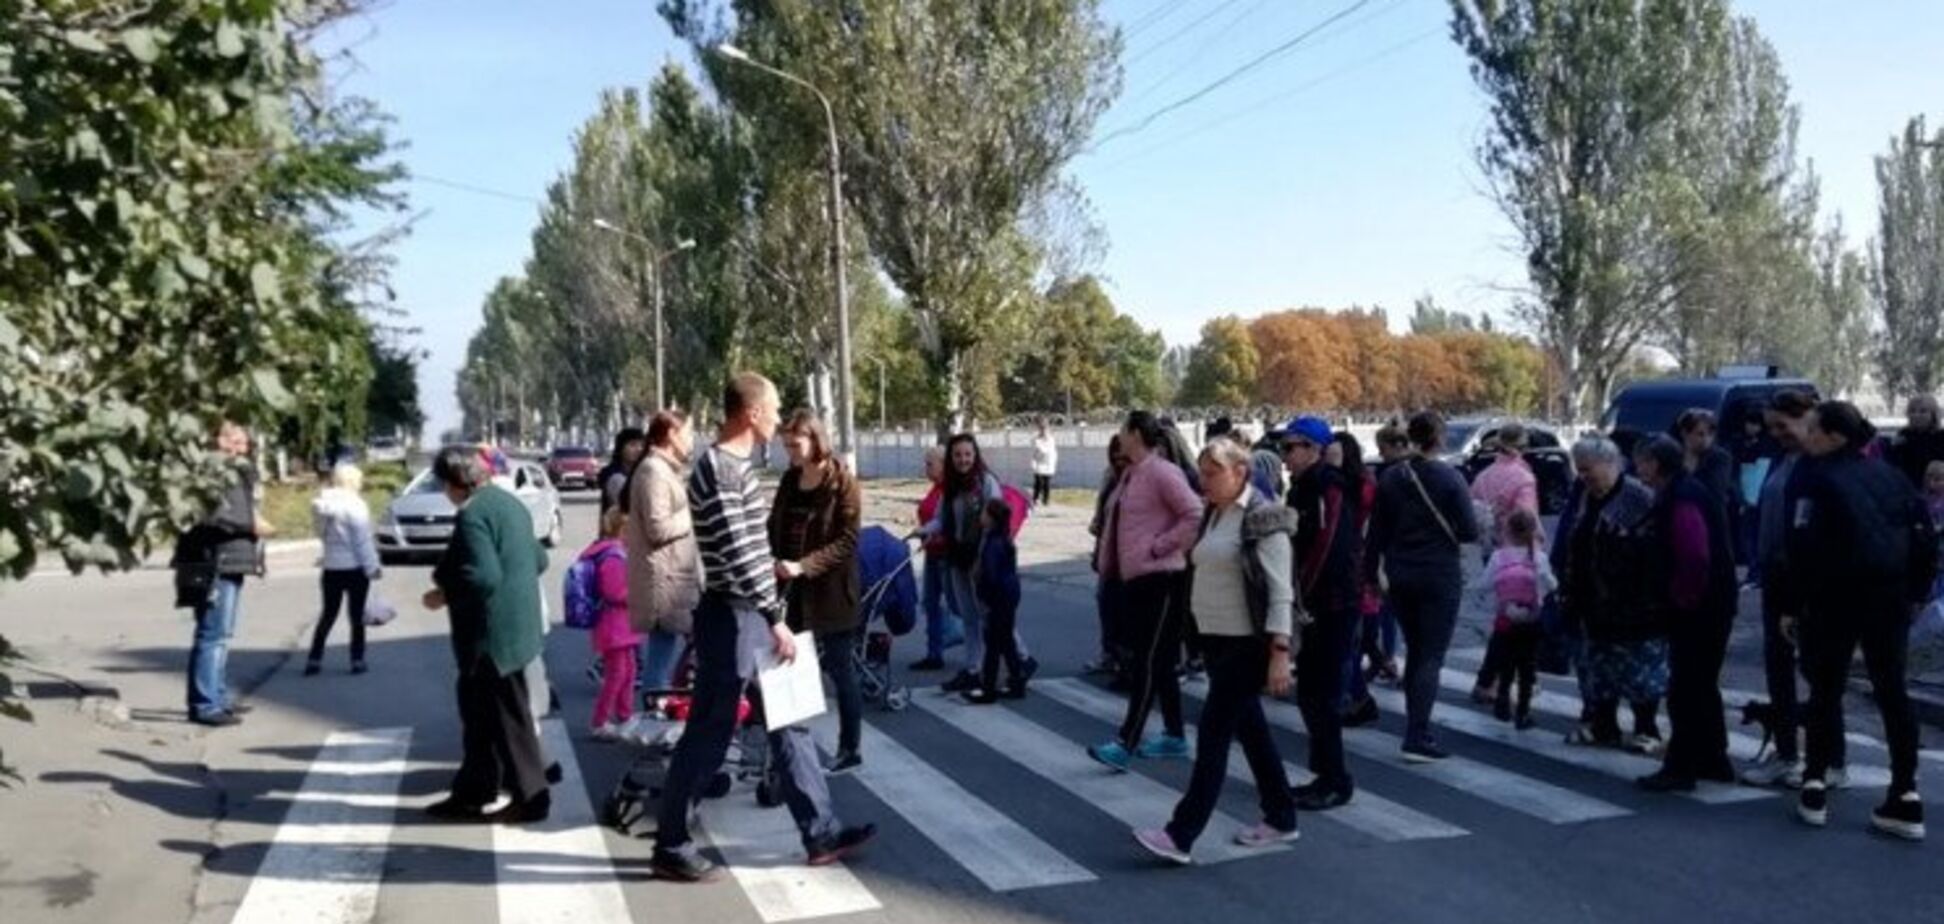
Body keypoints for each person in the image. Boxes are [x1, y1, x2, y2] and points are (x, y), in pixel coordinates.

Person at [650, 374, 876, 882]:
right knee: (711, 729)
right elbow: (740, 552)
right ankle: (671, 842)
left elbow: (753, 549)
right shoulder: (721, 469)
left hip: (749, 613)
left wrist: (770, 613)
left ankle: (820, 831)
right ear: (751, 413)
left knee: (789, 719)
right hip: (735, 617)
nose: (777, 420)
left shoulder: (736, 468)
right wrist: (774, 618)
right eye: (772, 410)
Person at [1133, 439, 1301, 865]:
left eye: (1212, 474)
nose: (1203, 482)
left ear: (1240, 472)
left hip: (1248, 642)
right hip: (1216, 638)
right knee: (1252, 731)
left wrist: (1280, 651)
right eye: (1202, 473)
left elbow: (1281, 591)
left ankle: (1181, 834)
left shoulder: (1263, 517)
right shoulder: (1215, 513)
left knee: (1213, 734)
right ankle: (1281, 814)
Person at [1783, 401, 1928, 841]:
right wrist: (1917, 592)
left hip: (1835, 595)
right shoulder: (1893, 477)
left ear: (1833, 437)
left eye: (1814, 429)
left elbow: (1802, 544)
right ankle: (1905, 792)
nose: (1807, 436)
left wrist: (1792, 603)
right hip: (1890, 594)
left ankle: (1814, 784)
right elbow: (1922, 534)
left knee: (1826, 689)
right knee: (1892, 690)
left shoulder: (1817, 479)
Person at [422, 446, 552, 824]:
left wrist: (446, 593)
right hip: (517, 628)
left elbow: (484, 576)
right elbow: (539, 559)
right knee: (478, 713)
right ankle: (473, 791)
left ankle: (532, 797)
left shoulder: (473, 514)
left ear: (454, 484)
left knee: (509, 717)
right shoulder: (508, 503)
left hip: (491, 636)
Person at [1088, 411, 1204, 771]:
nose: (1119, 437)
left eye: (1123, 431)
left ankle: (1127, 741)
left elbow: (1194, 513)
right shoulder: (1132, 473)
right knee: (1161, 661)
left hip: (1162, 578)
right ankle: (1174, 734)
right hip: (1136, 578)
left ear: (1136, 433)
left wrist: (1160, 546)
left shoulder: (1161, 472)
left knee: (1148, 661)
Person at [1363, 411, 1479, 763]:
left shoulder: (1391, 477)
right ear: (1440, 438)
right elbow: (1469, 531)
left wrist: (1371, 575)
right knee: (1430, 655)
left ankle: (1415, 727)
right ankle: (1417, 733)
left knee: (1415, 649)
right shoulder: (1450, 478)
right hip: (1438, 573)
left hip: (1400, 572)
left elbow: (1376, 532)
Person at [1632, 436, 1739, 793]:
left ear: (1655, 463)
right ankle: (1713, 757)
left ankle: (1681, 765)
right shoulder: (1685, 490)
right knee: (1702, 683)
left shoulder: (1681, 497)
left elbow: (1694, 555)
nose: (1638, 468)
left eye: (1641, 461)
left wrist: (1682, 599)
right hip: (1714, 601)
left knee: (1686, 687)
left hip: (1699, 607)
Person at [769, 409, 866, 774]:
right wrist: (770, 559)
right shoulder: (790, 479)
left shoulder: (842, 482)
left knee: (841, 670)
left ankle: (850, 748)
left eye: (795, 445)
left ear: (815, 440)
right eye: (786, 446)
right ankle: (790, 756)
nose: (790, 452)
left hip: (831, 592)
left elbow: (847, 540)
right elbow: (774, 525)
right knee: (787, 670)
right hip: (790, 591)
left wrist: (804, 565)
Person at [1558, 436, 1667, 754]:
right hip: (1591, 600)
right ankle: (1604, 725)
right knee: (1598, 667)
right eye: (1579, 470)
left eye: (1587, 469)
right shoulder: (1585, 495)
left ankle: (1646, 728)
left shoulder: (1638, 497)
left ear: (1610, 464)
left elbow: (1651, 553)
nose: (1583, 476)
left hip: (1633, 602)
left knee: (1640, 667)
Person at [1740, 390, 1827, 788]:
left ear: (1808, 417)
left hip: (1804, 577)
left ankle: (1816, 756)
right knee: (1779, 666)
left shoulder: (1817, 463)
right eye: (1771, 427)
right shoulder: (1785, 457)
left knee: (1814, 669)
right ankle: (1790, 750)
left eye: (1782, 425)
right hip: (1776, 573)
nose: (1775, 434)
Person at [1280, 415, 1358, 808]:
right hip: (1318, 603)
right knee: (1311, 695)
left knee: (1321, 696)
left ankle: (1335, 780)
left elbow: (1325, 547)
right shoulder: (1304, 487)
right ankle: (1324, 773)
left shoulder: (1326, 486)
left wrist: (1302, 597)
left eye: (1290, 447)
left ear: (1313, 449)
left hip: (1331, 604)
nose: (1284, 456)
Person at [173, 421, 273, 727]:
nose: (242, 449)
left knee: (221, 635)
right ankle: (205, 705)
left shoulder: (236, 473)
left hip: (229, 561)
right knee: (213, 635)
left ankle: (217, 697)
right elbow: (213, 516)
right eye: (236, 442)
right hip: (215, 562)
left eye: (244, 443)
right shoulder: (210, 472)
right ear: (219, 441)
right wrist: (251, 525)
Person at [923, 434, 1034, 693]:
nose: (963, 460)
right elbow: (940, 518)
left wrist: (982, 561)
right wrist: (925, 530)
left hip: (983, 562)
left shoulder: (985, 483)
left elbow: (995, 523)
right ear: (951, 458)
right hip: (958, 558)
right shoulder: (950, 486)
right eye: (957, 455)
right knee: (969, 618)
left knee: (990, 616)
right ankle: (973, 669)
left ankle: (1022, 659)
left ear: (975, 456)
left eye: (967, 454)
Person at [626, 411, 701, 696]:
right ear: (671, 434)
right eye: (688, 433)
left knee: (670, 650)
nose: (691, 440)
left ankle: (666, 703)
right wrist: (691, 514)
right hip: (664, 582)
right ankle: (654, 708)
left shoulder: (665, 470)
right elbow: (657, 528)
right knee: (660, 655)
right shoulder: (653, 471)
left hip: (674, 577)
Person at [1467, 423, 1541, 704]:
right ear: (1523, 447)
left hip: (1493, 550)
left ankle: (1495, 679)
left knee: (1506, 619)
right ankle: (1492, 680)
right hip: (1519, 554)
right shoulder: (1523, 478)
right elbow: (1527, 518)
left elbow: (1473, 512)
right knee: (1514, 623)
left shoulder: (1484, 475)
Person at [1469, 509, 1555, 728]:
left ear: (1507, 531)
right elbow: (1551, 585)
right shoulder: (1539, 558)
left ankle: (1503, 703)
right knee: (1527, 666)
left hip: (1505, 620)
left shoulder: (1499, 557)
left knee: (1506, 662)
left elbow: (1484, 585)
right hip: (1531, 621)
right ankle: (1523, 712)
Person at [1329, 431, 1384, 726]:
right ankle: (1357, 695)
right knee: (1347, 641)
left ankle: (1353, 698)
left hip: (1353, 566)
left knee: (1345, 642)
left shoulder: (1354, 486)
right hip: (1356, 564)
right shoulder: (1361, 483)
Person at [307, 463, 380, 677]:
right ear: (353, 481)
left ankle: (314, 658)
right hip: (355, 568)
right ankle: (357, 659)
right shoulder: (356, 505)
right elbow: (362, 541)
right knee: (356, 616)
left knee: (328, 614)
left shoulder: (321, 505)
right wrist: (372, 567)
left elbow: (320, 533)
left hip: (331, 567)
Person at [584, 508, 642, 741]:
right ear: (623, 530)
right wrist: (640, 593)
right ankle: (600, 721)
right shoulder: (613, 557)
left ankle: (624, 715)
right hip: (614, 626)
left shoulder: (611, 552)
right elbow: (615, 592)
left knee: (629, 671)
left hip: (618, 626)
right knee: (617, 674)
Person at [964, 498, 1027, 704]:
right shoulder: (1003, 539)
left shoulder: (993, 543)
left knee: (992, 643)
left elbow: (989, 575)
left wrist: (984, 597)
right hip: (1009, 594)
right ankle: (1016, 681)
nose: (981, 516)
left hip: (998, 597)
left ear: (991, 518)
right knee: (1006, 640)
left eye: (984, 513)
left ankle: (988, 688)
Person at [910, 445, 964, 672]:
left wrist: (930, 533)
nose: (926, 468)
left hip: (946, 555)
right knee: (930, 603)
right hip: (932, 553)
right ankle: (934, 653)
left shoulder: (951, 490)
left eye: (930, 464)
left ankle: (981, 651)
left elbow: (950, 522)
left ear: (943, 464)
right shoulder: (936, 489)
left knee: (958, 605)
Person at [1086, 435, 1133, 677]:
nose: (1118, 460)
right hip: (1107, 549)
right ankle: (1110, 654)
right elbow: (1103, 510)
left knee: (1122, 608)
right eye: (1114, 455)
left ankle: (1124, 658)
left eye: (1122, 455)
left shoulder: (1137, 480)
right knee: (1105, 602)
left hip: (1128, 554)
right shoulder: (1110, 477)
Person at [1887, 394, 1944, 492]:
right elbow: (1893, 463)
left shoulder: (1941, 437)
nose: (1916, 415)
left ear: (1933, 415)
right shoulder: (1903, 435)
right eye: (1912, 411)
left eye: (1923, 411)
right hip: (1906, 488)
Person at [600, 426, 647, 516]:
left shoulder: (639, 472)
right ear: (621, 448)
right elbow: (629, 507)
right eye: (632, 445)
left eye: (642, 445)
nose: (638, 449)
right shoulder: (615, 477)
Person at [1030, 418, 1058, 508]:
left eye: (1044, 427)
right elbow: (1034, 449)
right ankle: (1035, 498)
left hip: (1048, 462)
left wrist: (1052, 460)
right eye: (1041, 427)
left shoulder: (1050, 438)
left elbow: (1051, 450)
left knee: (1046, 482)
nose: (1043, 429)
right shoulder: (1036, 438)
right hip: (1039, 461)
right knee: (1038, 481)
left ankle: (1046, 499)